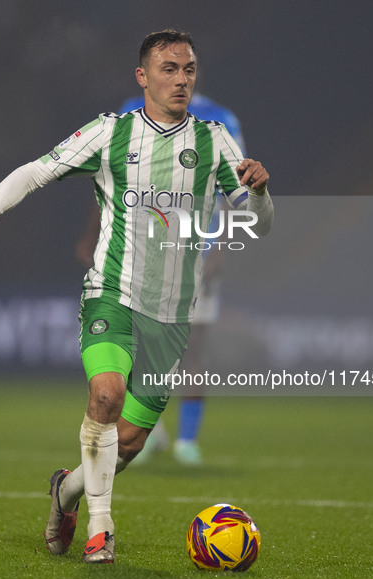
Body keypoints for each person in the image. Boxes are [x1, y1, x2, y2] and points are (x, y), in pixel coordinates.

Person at [0, 29, 273, 565]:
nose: (181, 79)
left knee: (126, 445)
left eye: (188, 69)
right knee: (105, 395)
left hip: (172, 316)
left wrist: (260, 193)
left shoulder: (215, 141)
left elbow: (258, 226)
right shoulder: (110, 133)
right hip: (112, 294)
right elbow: (37, 171)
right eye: (168, 69)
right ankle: (101, 530)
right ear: (142, 77)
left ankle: (65, 493)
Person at [76, 93, 247, 466]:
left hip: (195, 251)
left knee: (192, 348)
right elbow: (110, 183)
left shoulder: (220, 118)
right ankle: (150, 434)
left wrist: (219, 251)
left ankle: (187, 441)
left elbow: (234, 190)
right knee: (132, 342)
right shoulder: (128, 111)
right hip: (139, 252)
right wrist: (94, 237)